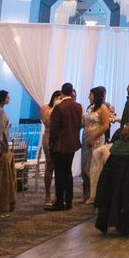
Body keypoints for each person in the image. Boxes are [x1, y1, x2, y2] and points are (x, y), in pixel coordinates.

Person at [96, 121, 129, 235]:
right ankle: (125, 227)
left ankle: (104, 223)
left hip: (110, 181)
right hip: (127, 182)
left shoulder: (115, 147)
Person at [46, 83, 85, 211]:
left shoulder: (59, 107)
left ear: (62, 93)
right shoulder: (78, 107)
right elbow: (79, 124)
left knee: (59, 173)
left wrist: (51, 143)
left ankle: (59, 202)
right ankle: (68, 201)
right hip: (72, 143)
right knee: (68, 172)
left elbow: (54, 128)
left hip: (60, 144)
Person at [82, 86, 116, 198]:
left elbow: (105, 125)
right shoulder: (90, 108)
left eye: (90, 95)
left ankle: (94, 194)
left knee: (94, 166)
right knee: (85, 165)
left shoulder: (103, 109)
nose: (88, 97)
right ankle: (87, 192)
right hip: (86, 138)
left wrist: (94, 137)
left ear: (95, 96)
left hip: (96, 140)